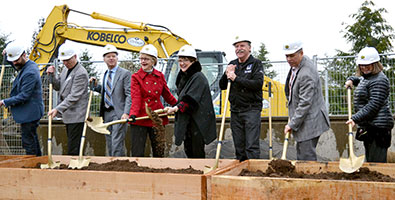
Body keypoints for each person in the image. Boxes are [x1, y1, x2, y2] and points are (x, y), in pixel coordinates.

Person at [166, 45, 217, 158]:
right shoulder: (184, 77)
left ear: (193, 61)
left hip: (198, 122)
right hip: (189, 121)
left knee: (197, 152)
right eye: (180, 60)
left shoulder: (198, 77)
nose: (182, 63)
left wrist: (175, 108)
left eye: (186, 60)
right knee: (189, 150)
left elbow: (190, 100)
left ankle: (200, 173)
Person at [283, 40, 330, 161]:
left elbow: (305, 103)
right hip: (305, 119)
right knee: (302, 153)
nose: (289, 59)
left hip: (310, 120)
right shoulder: (298, 65)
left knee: (306, 157)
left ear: (301, 53)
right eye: (287, 56)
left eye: (292, 55)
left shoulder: (306, 73)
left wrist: (292, 124)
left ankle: (310, 178)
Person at [345, 47, 393, 163]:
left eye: (368, 65)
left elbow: (373, 105)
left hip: (379, 128)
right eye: (362, 65)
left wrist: (355, 118)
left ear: (375, 64)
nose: (364, 67)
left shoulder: (380, 80)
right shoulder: (368, 77)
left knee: (376, 164)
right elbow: (361, 80)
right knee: (371, 160)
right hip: (370, 127)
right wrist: (351, 80)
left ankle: (380, 182)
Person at [219, 37, 263, 161]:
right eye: (236, 47)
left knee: (251, 146)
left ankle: (253, 172)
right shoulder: (232, 64)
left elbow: (257, 84)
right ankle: (241, 170)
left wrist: (235, 78)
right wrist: (226, 74)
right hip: (235, 110)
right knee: (239, 146)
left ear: (249, 48)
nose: (239, 49)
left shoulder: (256, 64)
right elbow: (222, 85)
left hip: (251, 110)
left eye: (242, 46)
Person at [129, 44, 177, 157]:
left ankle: (159, 171)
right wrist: (133, 114)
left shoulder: (160, 76)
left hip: (157, 116)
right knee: (137, 151)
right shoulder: (135, 77)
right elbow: (136, 97)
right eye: (141, 58)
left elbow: (167, 95)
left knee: (159, 149)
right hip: (141, 117)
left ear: (153, 60)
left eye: (146, 59)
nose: (143, 61)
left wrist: (178, 105)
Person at [0, 42, 44, 156]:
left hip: (31, 112)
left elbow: (24, 95)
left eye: (16, 60)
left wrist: (4, 102)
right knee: (31, 139)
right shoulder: (26, 65)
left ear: (24, 55)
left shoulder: (30, 72)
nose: (14, 63)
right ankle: (37, 160)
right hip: (29, 111)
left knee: (28, 142)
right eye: (13, 60)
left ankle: (33, 163)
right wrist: (7, 56)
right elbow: (16, 64)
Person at [46, 43, 89, 155]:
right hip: (68, 115)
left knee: (74, 147)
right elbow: (59, 86)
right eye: (63, 60)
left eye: (68, 60)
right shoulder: (66, 69)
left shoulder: (81, 73)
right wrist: (51, 76)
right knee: (71, 144)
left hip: (77, 116)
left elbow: (74, 96)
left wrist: (57, 109)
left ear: (75, 56)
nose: (65, 63)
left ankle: (74, 168)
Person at [90, 44, 131, 157]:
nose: (111, 58)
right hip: (106, 113)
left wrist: (126, 112)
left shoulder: (125, 74)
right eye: (108, 56)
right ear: (104, 59)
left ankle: (117, 166)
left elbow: (129, 94)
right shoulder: (105, 74)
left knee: (117, 141)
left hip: (119, 113)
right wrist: (95, 86)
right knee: (110, 142)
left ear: (117, 58)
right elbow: (106, 91)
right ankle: (112, 163)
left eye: (113, 56)